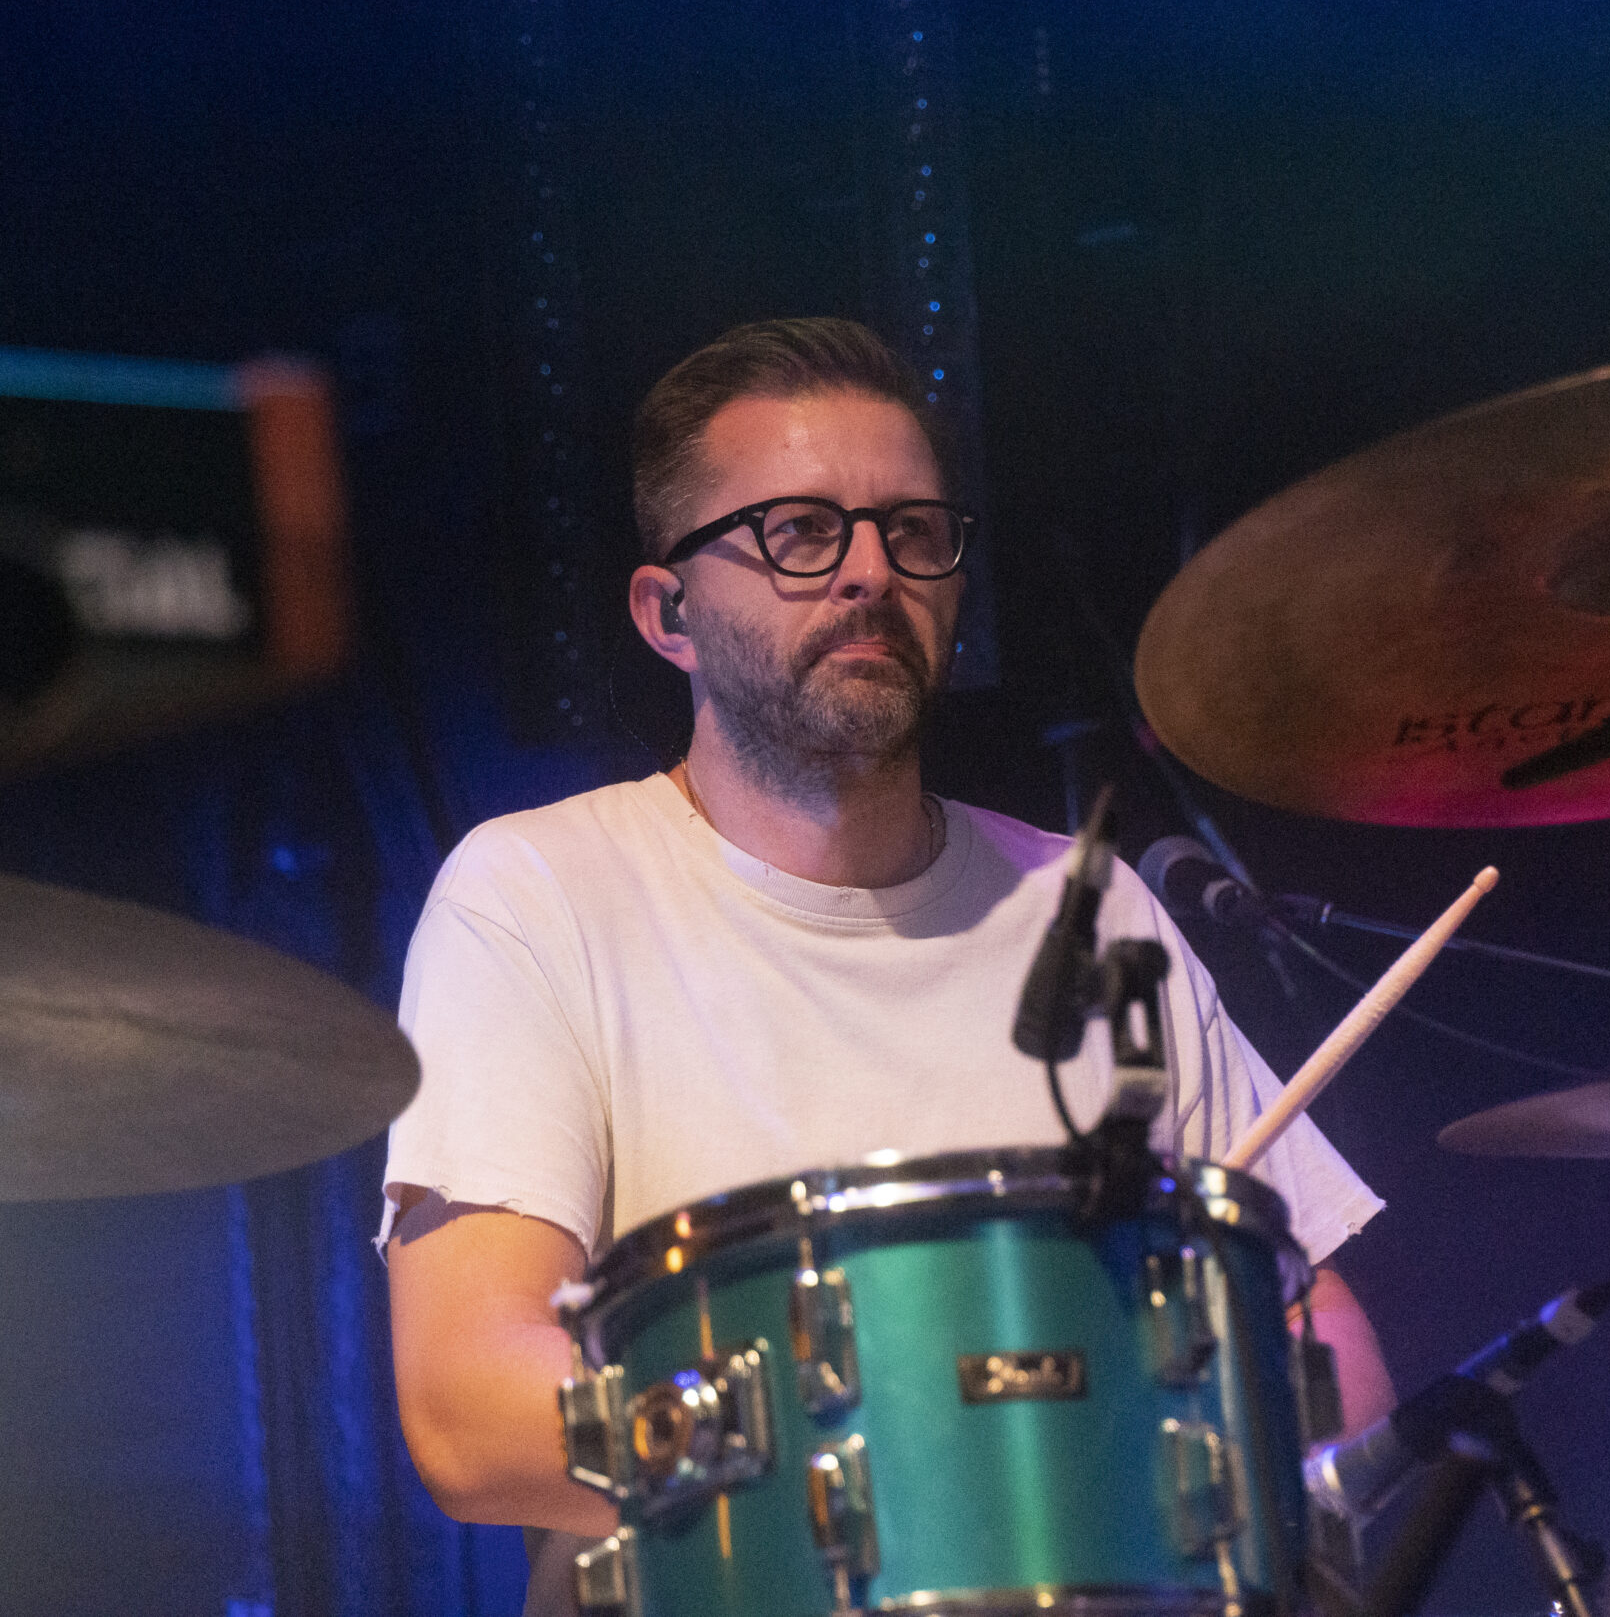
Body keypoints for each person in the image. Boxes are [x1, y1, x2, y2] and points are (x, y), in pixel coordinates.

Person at [380, 317, 1391, 1607]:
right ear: (668, 612)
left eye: (911, 530)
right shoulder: (539, 895)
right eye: (799, 532)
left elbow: (1329, 1348)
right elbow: (468, 1409)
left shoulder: (1086, 910)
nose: (870, 571)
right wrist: (935, 1460)